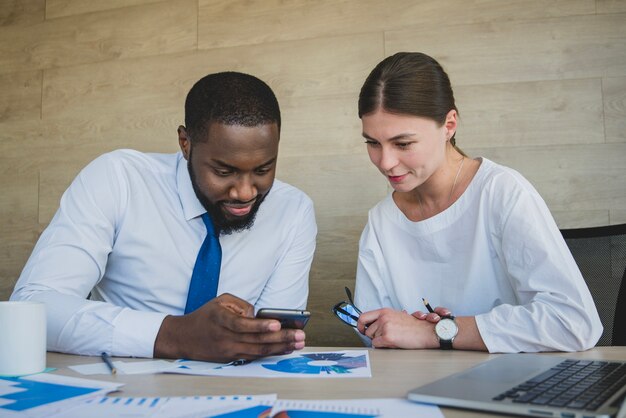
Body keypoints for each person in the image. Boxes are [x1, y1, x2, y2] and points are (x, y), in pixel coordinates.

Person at [11, 72, 317, 362]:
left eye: (263, 170)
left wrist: (260, 336)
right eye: (224, 171)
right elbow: (33, 308)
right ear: (185, 143)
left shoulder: (293, 211)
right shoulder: (119, 180)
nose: (245, 192)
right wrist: (172, 334)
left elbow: (276, 338)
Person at [352, 52, 602, 353]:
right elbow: (373, 334)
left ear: (449, 125)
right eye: (373, 143)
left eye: (403, 144)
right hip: (418, 387)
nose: (386, 162)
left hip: (513, 385)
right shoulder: (381, 221)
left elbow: (573, 323)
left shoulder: (502, 192)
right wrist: (394, 332)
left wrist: (438, 333)